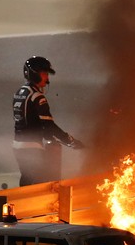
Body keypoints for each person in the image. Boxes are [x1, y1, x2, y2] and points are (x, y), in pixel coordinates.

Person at [13, 56, 83, 186]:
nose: (47, 78)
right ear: (34, 74)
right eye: (44, 74)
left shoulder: (20, 92)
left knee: (27, 181)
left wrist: (48, 136)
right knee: (38, 186)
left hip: (18, 146)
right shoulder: (37, 96)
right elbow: (49, 125)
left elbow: (30, 120)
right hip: (32, 148)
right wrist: (70, 141)